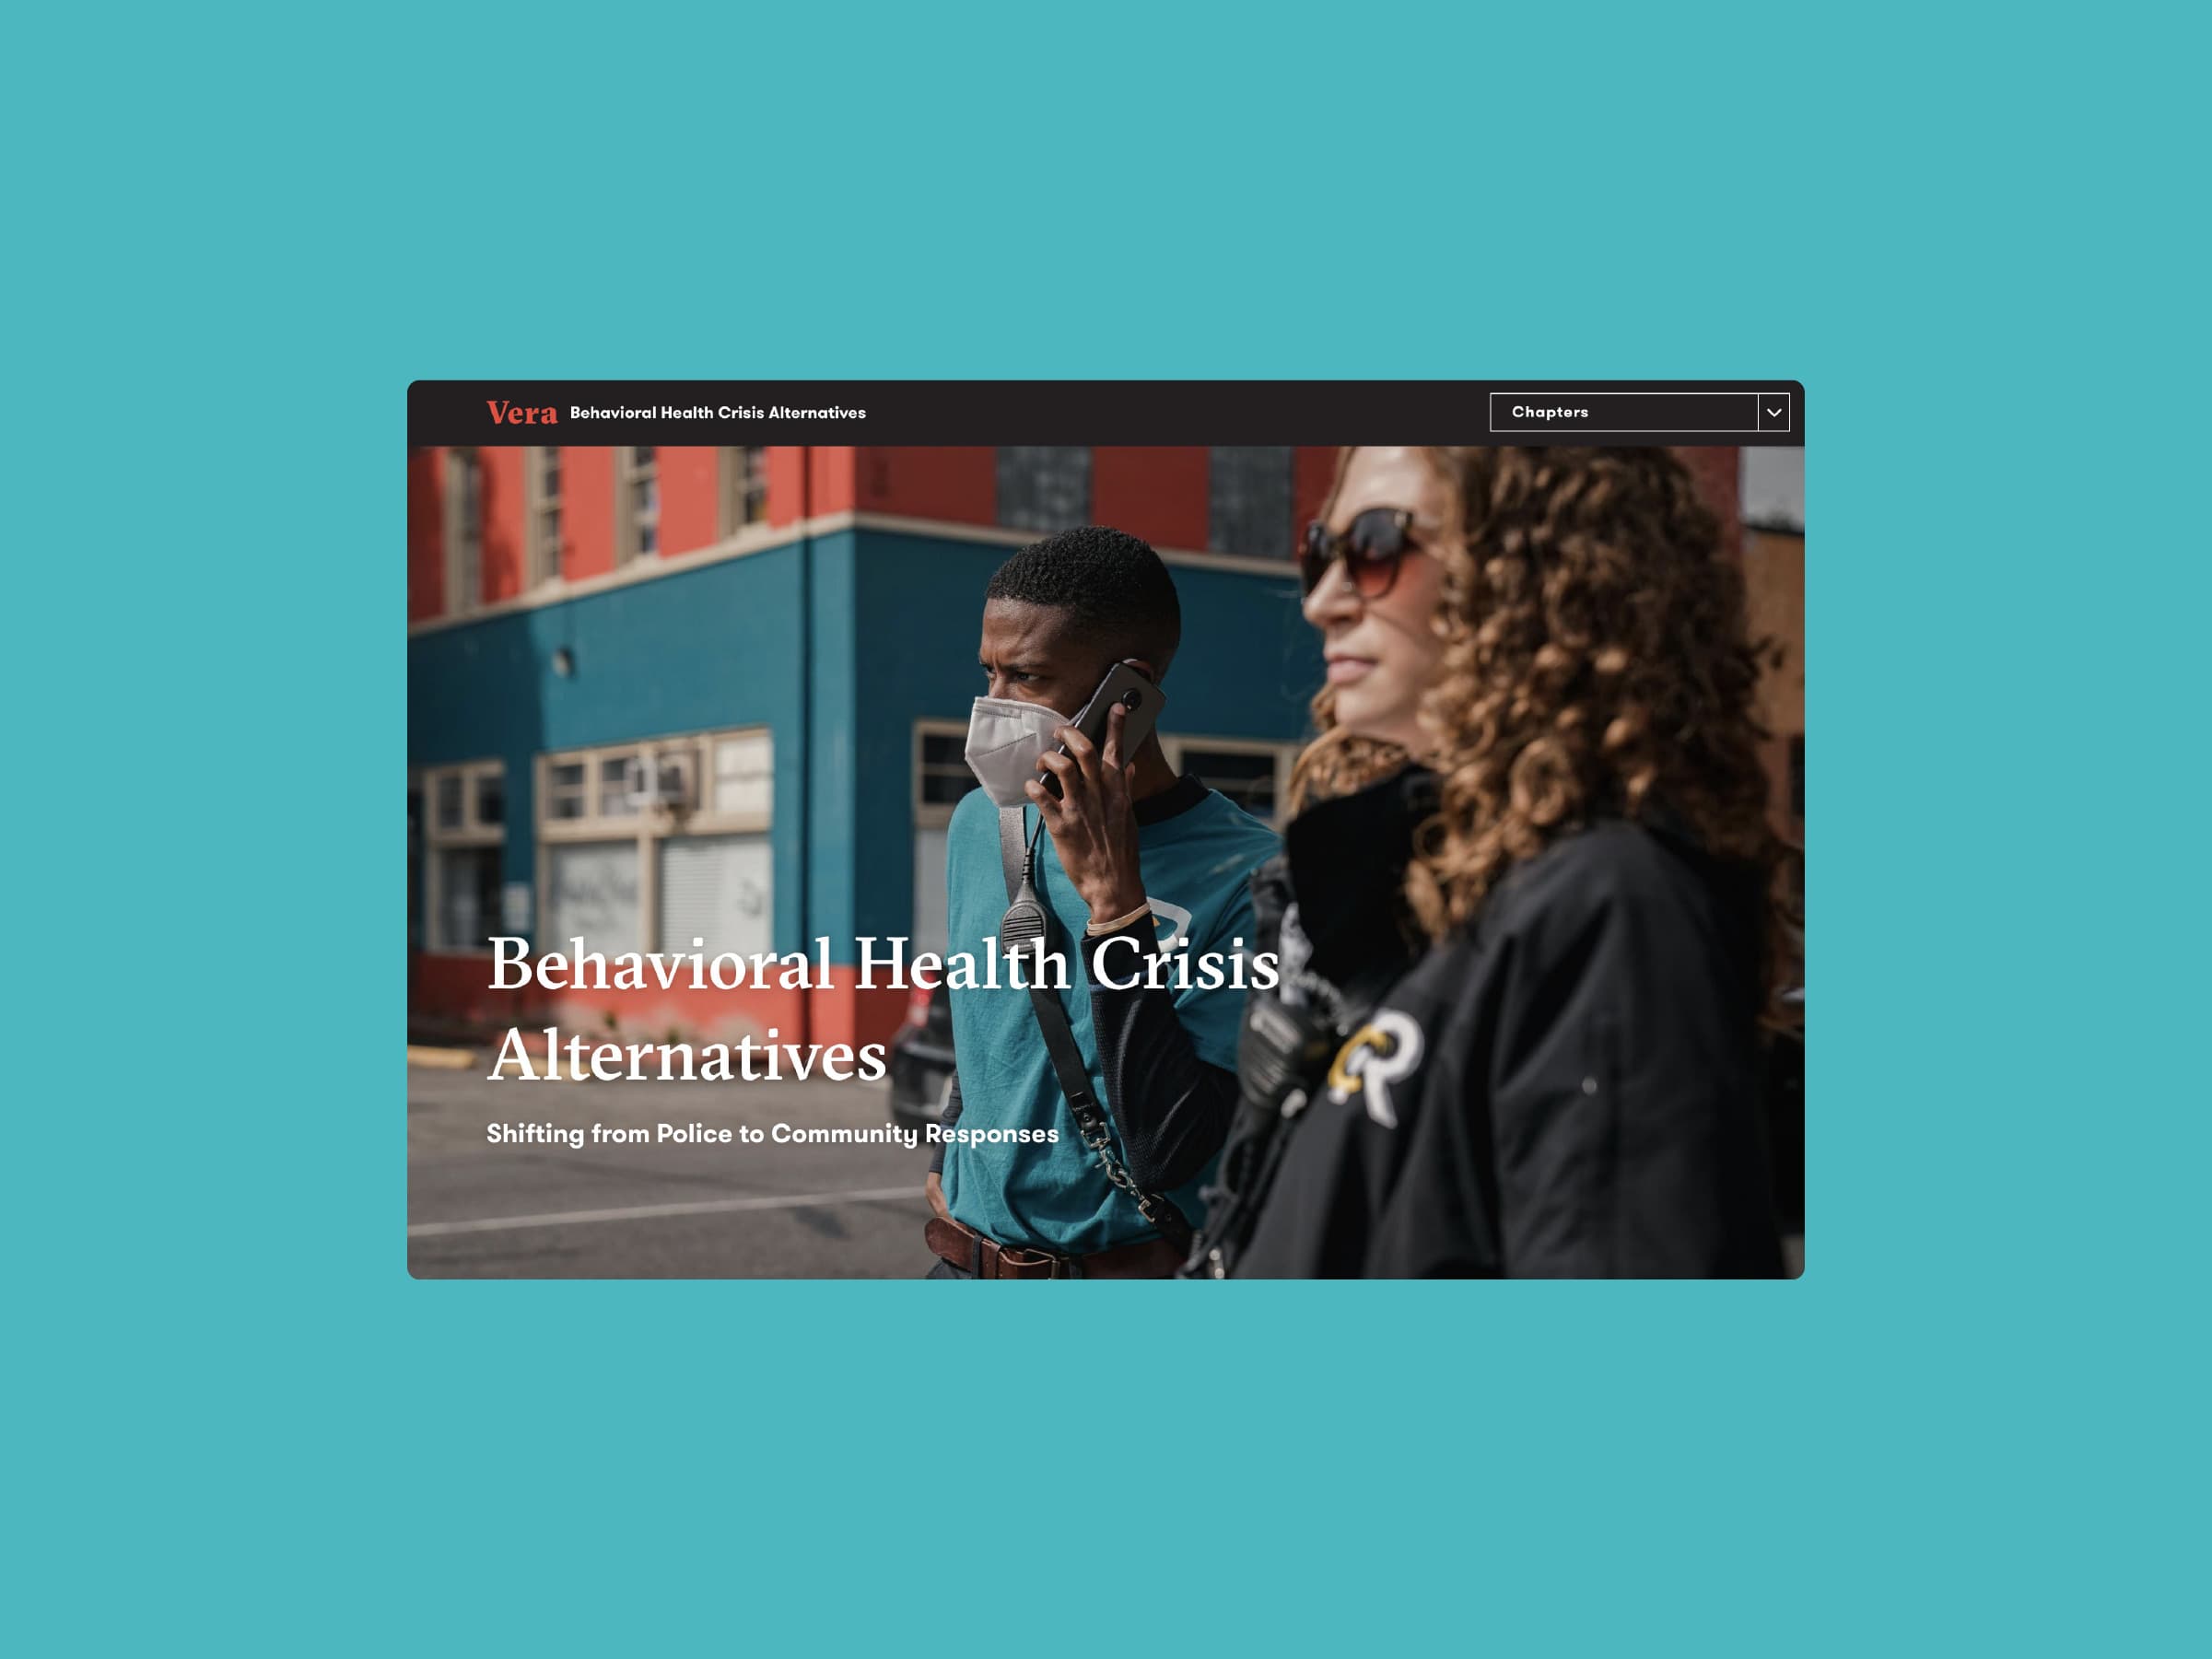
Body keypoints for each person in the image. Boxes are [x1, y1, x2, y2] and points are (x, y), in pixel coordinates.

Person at [1191, 446, 1787, 1278]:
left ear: (1541, 567)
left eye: (1375, 543)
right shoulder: (1405, 890)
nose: (1322, 600)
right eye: (1319, 551)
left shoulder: (1608, 909)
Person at [924, 526, 1280, 1279]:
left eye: (1026, 677)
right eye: (987, 671)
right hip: (964, 1270)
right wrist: (949, 1138)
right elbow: (980, 1017)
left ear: (1127, 690)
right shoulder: (976, 826)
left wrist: (1115, 904)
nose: (993, 707)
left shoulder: (1251, 876)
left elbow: (1170, 1145)